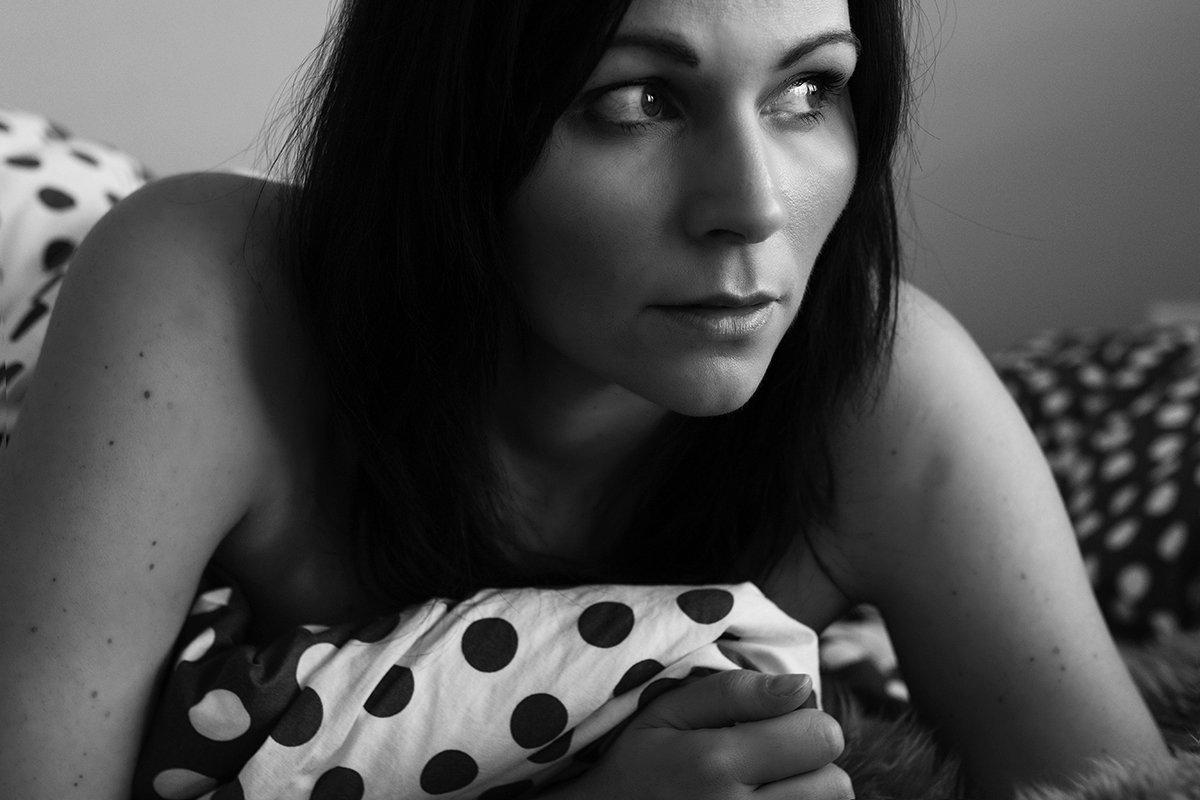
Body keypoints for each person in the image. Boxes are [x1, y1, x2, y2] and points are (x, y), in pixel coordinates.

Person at [0, 0, 1171, 797]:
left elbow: (1125, 782)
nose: (753, 207)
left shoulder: (884, 387)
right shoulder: (200, 302)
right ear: (454, 122)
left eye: (810, 88)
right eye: (642, 100)